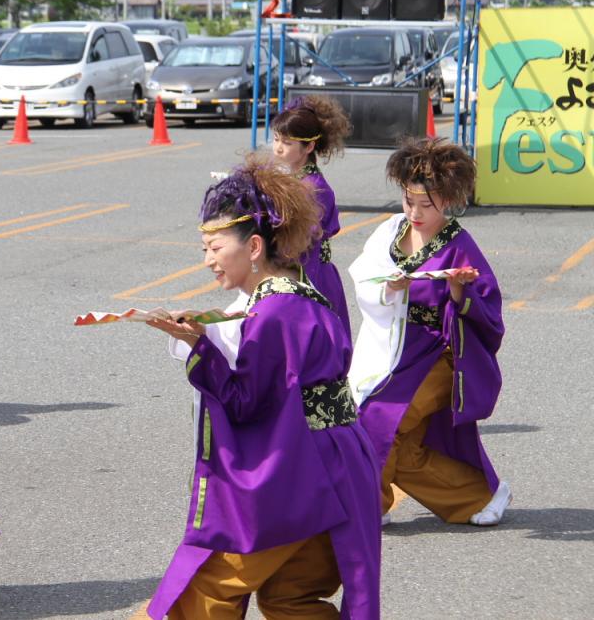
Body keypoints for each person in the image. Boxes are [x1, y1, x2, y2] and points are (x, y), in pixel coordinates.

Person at [145, 163, 381, 620]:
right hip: (338, 459)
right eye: (205, 248)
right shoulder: (297, 294)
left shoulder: (272, 313)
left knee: (204, 591)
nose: (208, 259)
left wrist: (198, 346)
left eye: (215, 247)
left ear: (253, 246)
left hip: (306, 470)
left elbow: (247, 401)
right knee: (289, 598)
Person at [348, 137, 510, 527]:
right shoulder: (390, 231)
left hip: (439, 352)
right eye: (409, 201)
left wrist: (459, 289)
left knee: (386, 417)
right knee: (381, 429)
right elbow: (363, 276)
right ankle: (476, 495)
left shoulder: (460, 245)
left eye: (427, 204)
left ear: (449, 201)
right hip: (392, 346)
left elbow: (488, 309)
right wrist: (389, 287)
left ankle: (367, 502)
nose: (415, 212)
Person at [270, 95, 353, 337]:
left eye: (286, 142)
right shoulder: (292, 179)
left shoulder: (315, 188)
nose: (278, 147)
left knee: (312, 343)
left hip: (311, 273)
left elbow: (299, 238)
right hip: (297, 269)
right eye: (276, 139)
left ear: (309, 147)